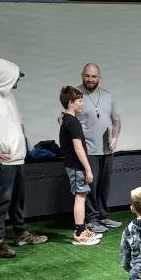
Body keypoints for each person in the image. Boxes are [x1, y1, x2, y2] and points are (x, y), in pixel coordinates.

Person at [0, 58, 48, 258]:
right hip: (1, 163)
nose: (17, 82)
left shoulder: (8, 95)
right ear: (4, 77)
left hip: (18, 160)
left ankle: (21, 233)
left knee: (18, 200)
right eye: (15, 78)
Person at [77, 62, 122, 233]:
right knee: (90, 186)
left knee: (104, 185)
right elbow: (65, 118)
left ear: (99, 77)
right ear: (82, 75)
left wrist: (115, 137)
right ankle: (92, 219)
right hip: (87, 150)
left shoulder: (108, 96)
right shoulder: (75, 94)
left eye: (94, 76)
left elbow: (116, 120)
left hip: (106, 150)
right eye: (87, 75)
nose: (90, 79)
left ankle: (103, 216)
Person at [58, 86, 102, 246]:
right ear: (71, 103)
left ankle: (82, 229)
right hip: (76, 166)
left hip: (73, 165)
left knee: (81, 196)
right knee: (80, 197)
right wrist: (88, 169)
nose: (82, 104)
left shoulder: (66, 119)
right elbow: (78, 147)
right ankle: (80, 233)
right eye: (79, 101)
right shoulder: (73, 122)